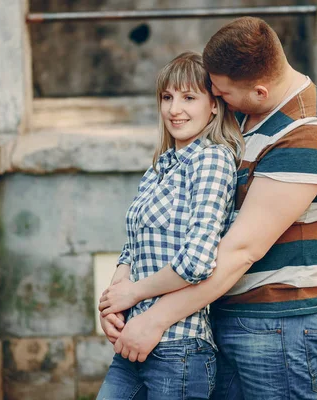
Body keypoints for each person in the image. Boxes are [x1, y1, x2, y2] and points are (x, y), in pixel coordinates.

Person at [99, 17, 317, 400]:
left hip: (276, 323)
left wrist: (153, 317)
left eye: (221, 94)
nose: (215, 100)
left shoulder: (306, 133)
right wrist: (123, 282)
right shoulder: (245, 112)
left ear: (260, 90)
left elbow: (239, 251)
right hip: (218, 313)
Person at [96, 51, 244, 400]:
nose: (174, 109)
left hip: (179, 350)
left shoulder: (212, 159)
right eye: (167, 97)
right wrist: (112, 305)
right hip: (132, 338)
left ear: (213, 106)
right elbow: (132, 245)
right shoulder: (161, 166)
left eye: (188, 97)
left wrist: (133, 292)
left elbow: (197, 262)